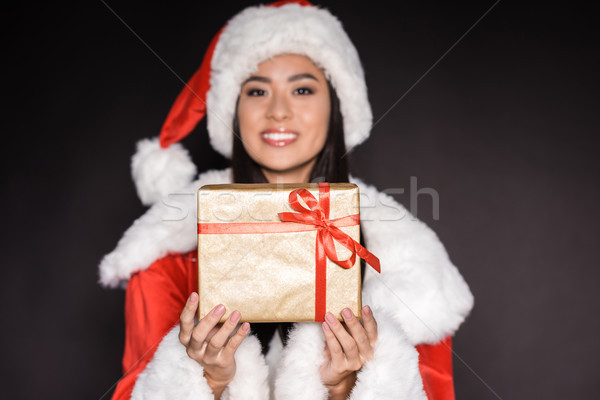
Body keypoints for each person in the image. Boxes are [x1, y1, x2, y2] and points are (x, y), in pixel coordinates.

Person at [99, 1, 474, 399]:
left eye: (302, 89)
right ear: (233, 110)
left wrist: (347, 387)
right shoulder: (168, 259)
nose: (278, 111)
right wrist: (206, 379)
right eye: (257, 90)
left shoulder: (408, 270)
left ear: (336, 108)